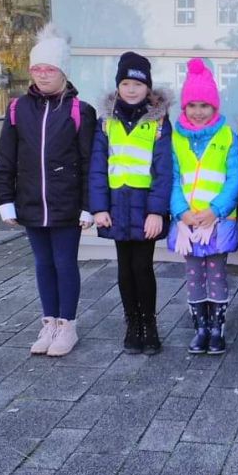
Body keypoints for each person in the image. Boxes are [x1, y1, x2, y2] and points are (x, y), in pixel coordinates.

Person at [0, 24, 97, 357]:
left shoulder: (80, 111)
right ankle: (49, 321)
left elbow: (90, 162)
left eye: (49, 69)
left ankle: (67, 325)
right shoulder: (18, 108)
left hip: (66, 205)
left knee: (64, 262)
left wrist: (89, 205)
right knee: (43, 263)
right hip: (31, 202)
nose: (42, 75)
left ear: (63, 71)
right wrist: (5, 200)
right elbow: (6, 157)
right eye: (37, 68)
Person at [88, 52, 173, 355]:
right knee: (124, 268)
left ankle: (149, 324)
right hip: (116, 206)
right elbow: (97, 166)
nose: (131, 89)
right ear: (118, 86)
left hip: (144, 207)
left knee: (142, 267)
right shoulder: (105, 122)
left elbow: (163, 170)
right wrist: (99, 207)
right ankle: (132, 323)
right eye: (125, 83)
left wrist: (156, 212)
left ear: (147, 87)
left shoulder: (158, 122)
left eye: (137, 84)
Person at [168, 58, 238, 356]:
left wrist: (216, 210)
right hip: (188, 222)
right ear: (184, 106)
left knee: (216, 273)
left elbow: (235, 176)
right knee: (193, 275)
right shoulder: (176, 138)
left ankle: (217, 328)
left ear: (214, 107)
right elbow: (172, 178)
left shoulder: (226, 136)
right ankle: (200, 327)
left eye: (204, 106)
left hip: (216, 221)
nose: (198, 111)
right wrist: (182, 212)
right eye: (192, 105)